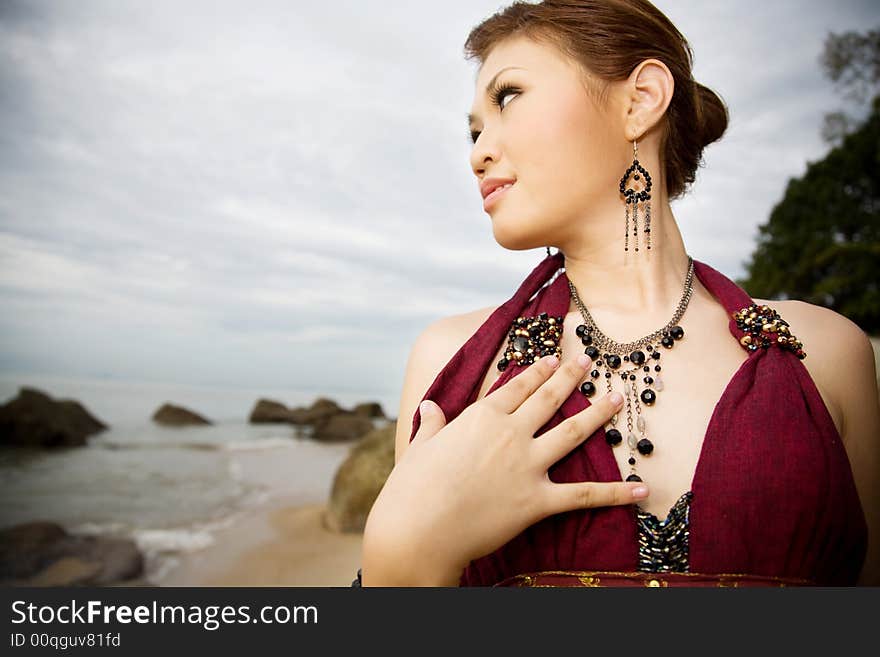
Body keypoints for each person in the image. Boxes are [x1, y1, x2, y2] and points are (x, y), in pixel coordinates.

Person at [357, 0, 879, 587]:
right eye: (474, 130)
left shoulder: (828, 353)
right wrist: (400, 550)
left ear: (640, 100)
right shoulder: (450, 362)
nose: (477, 151)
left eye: (508, 98)